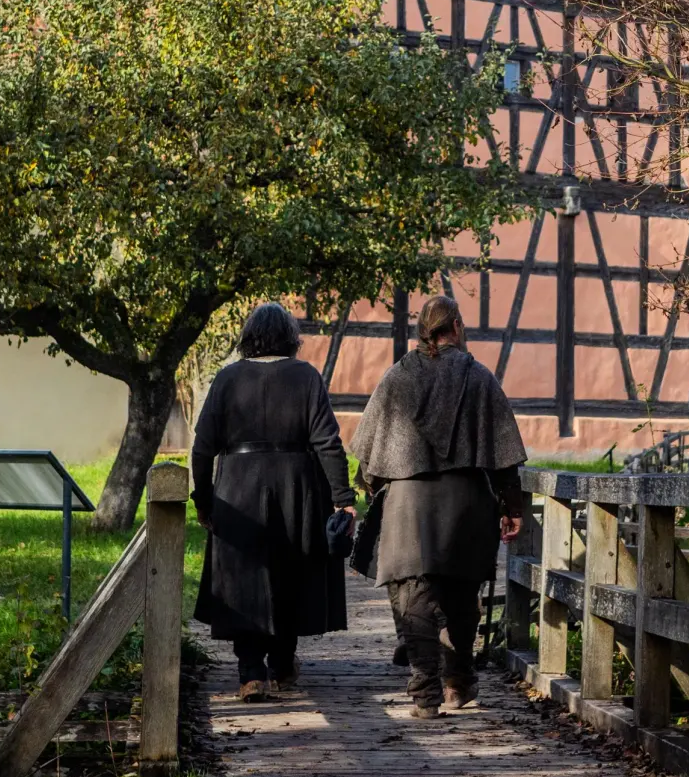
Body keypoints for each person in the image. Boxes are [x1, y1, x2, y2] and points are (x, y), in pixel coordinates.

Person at [350, 295, 527, 719]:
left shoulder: (397, 377)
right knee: (462, 596)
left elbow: (369, 457)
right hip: (466, 502)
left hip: (408, 503)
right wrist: (512, 506)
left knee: (415, 596)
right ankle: (457, 684)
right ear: (458, 327)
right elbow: (504, 457)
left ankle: (425, 693)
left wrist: (372, 487)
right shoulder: (479, 377)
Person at [191, 302, 356, 703]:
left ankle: (251, 673)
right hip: (296, 487)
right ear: (290, 339)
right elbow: (328, 443)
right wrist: (343, 499)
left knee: (244, 578)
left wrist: (204, 499)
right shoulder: (306, 376)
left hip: (238, 487)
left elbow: (202, 447)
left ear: (249, 338)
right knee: (290, 573)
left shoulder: (228, 378)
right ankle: (282, 665)